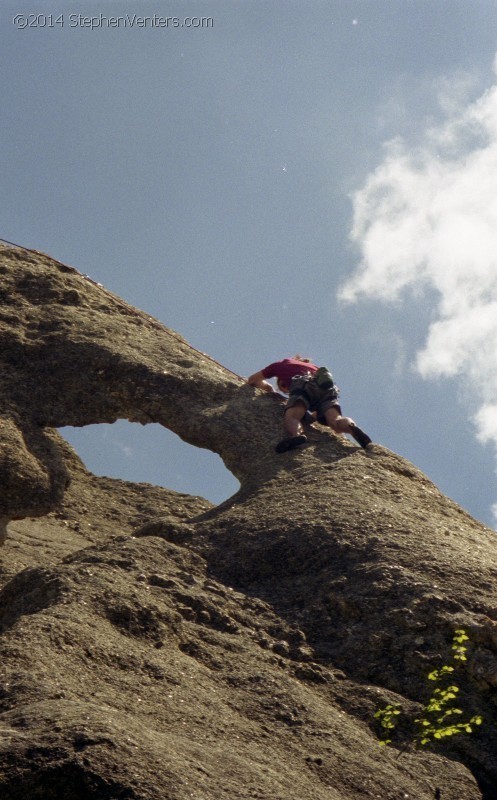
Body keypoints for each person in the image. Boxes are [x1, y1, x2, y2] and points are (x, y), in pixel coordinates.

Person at [247, 355, 372, 452]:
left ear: (283, 384)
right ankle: (351, 427)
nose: (287, 392)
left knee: (292, 416)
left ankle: (296, 436)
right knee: (336, 421)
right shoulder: (315, 368)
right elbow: (314, 415)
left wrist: (269, 389)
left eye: (284, 390)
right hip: (328, 388)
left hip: (303, 385)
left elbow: (253, 379)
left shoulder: (281, 365)